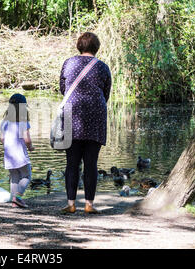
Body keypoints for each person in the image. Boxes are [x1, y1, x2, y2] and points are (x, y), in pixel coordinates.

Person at [59, 32, 112, 214]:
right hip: (96, 116)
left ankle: (71, 203)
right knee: (91, 163)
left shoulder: (68, 63)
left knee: (71, 163)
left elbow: (63, 89)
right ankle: (89, 204)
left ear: (79, 46)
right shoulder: (103, 67)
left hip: (71, 115)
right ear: (96, 47)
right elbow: (106, 94)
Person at [0, 93, 35, 208]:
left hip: (9, 155)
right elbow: (27, 139)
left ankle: (14, 200)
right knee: (26, 176)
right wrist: (30, 147)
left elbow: (2, 138)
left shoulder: (4, 122)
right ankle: (18, 197)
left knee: (14, 177)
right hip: (20, 155)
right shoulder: (23, 122)